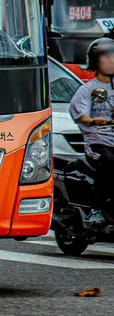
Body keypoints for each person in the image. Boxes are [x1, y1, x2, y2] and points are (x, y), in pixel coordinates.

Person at [70, 37, 114, 222]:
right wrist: (94, 120)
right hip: (98, 143)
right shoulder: (87, 90)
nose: (112, 61)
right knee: (110, 163)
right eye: (107, 57)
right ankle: (96, 209)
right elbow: (81, 116)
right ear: (95, 61)